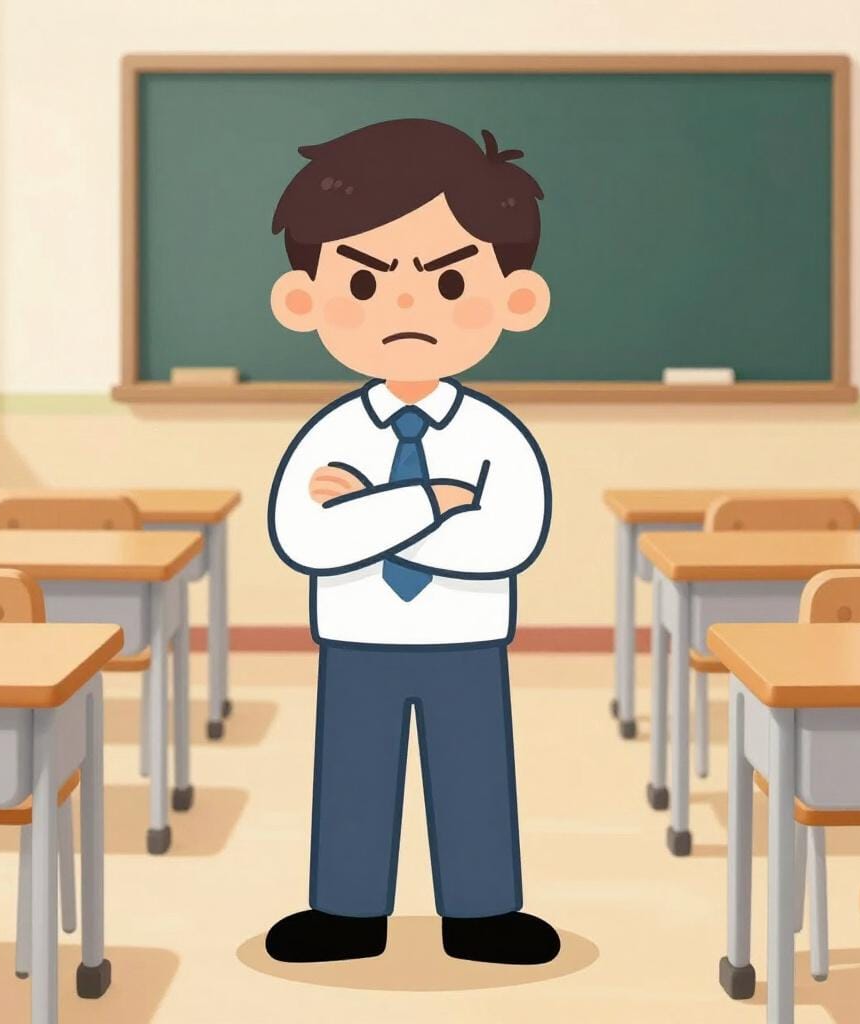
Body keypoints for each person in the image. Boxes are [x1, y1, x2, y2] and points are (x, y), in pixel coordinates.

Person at [265, 118, 558, 965]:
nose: (404, 308)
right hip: (357, 636)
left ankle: (484, 912)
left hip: (466, 637)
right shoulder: (329, 433)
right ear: (302, 301)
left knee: (473, 774)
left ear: (516, 300)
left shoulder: (497, 436)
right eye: (363, 286)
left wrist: (373, 509)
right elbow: (304, 536)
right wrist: (430, 500)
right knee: (354, 771)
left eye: (446, 283)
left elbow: (505, 539)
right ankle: (346, 912)